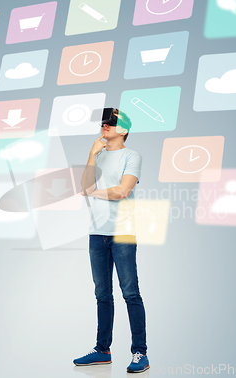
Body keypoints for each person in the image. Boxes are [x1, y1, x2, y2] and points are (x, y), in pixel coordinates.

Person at [74, 108, 149, 373]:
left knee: (130, 293)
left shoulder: (132, 156)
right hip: (97, 233)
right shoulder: (99, 155)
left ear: (124, 130)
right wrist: (92, 155)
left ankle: (140, 352)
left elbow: (122, 191)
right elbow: (85, 187)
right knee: (102, 294)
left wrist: (95, 191)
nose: (104, 126)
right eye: (103, 123)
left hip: (122, 232)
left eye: (110, 123)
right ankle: (102, 350)